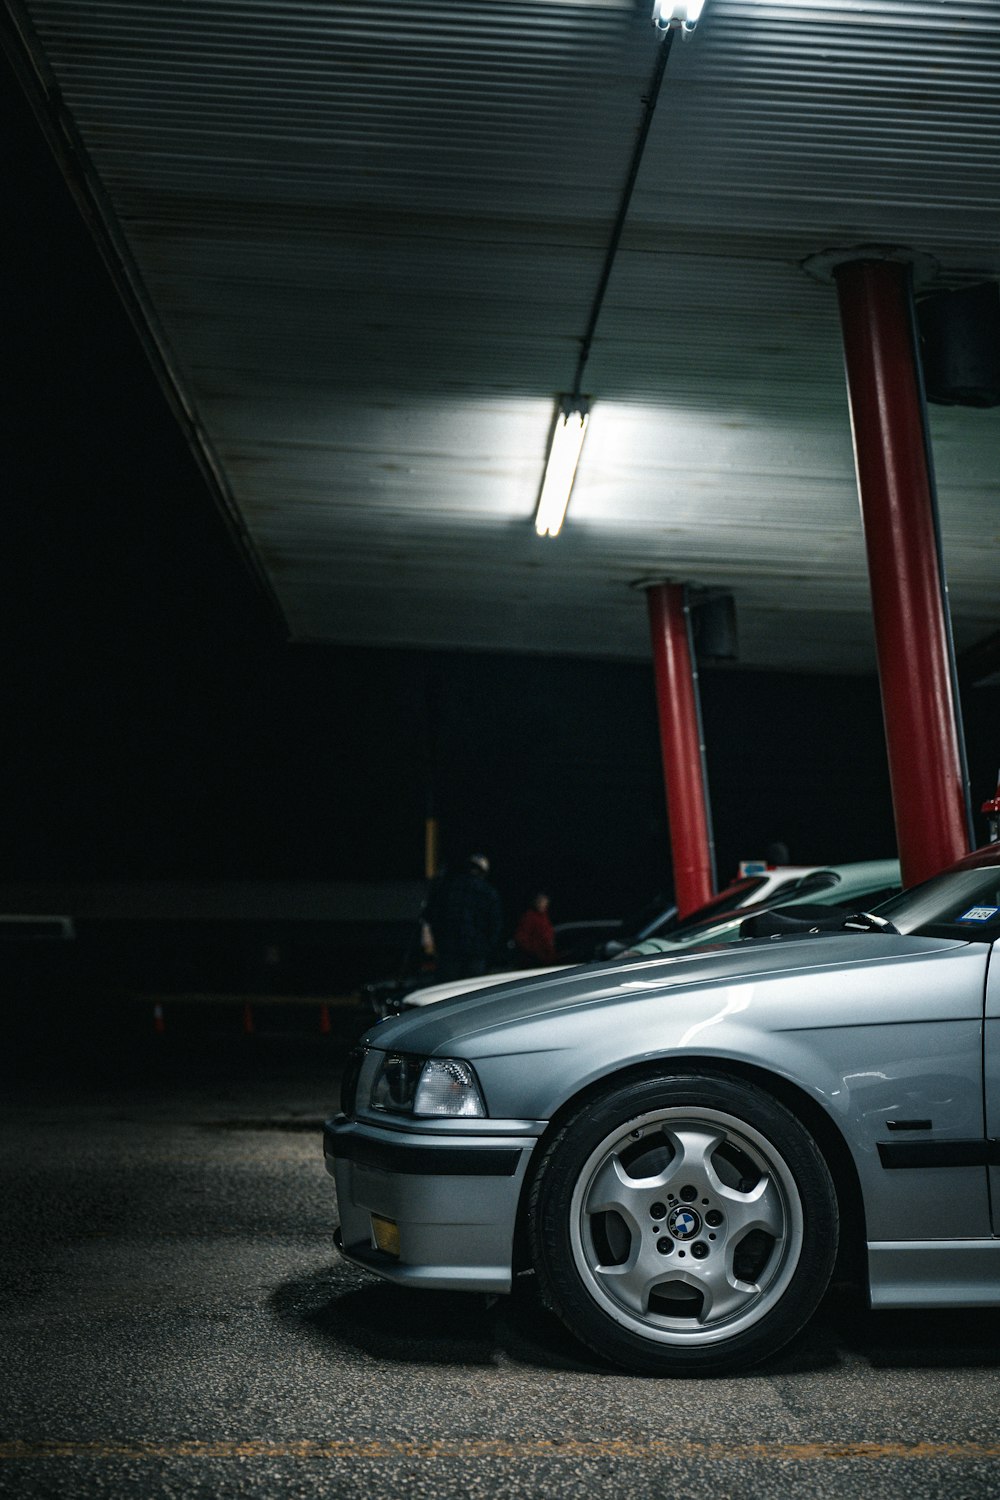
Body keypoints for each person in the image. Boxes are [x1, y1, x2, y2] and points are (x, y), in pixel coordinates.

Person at [425, 853, 503, 982]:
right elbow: (495, 925)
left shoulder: (447, 889)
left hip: (449, 950)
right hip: (476, 952)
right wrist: (488, 948)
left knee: (446, 990)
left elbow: (433, 916)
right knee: (472, 992)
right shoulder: (489, 892)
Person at [513, 890, 557, 967]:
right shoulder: (529, 916)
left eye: (544, 902)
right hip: (535, 959)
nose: (542, 904)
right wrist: (536, 951)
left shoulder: (544, 916)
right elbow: (522, 938)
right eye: (539, 901)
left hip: (547, 958)